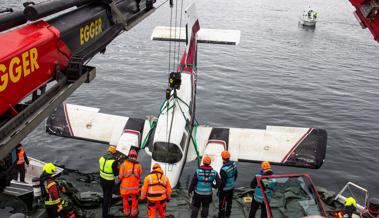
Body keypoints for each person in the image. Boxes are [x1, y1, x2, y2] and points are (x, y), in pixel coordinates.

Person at [119, 149, 142, 218]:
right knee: (134, 199)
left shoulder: (123, 165)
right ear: (136, 156)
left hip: (125, 188)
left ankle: (126, 212)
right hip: (134, 188)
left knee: (125, 199)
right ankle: (133, 213)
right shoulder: (139, 165)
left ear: (129, 156)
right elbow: (140, 175)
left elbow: (120, 177)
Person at [99, 145, 119, 218]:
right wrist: (118, 168)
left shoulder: (101, 158)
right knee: (107, 198)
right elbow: (116, 173)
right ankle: (105, 215)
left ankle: (105, 211)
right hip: (109, 182)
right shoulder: (113, 161)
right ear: (113, 153)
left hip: (102, 180)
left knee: (105, 195)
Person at [218, 150, 238, 218]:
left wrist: (220, 189)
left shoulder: (223, 169)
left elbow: (223, 182)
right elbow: (236, 174)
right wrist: (232, 182)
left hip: (225, 189)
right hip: (231, 187)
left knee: (222, 203)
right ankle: (228, 214)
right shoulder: (234, 164)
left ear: (222, 158)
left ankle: (221, 215)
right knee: (229, 202)